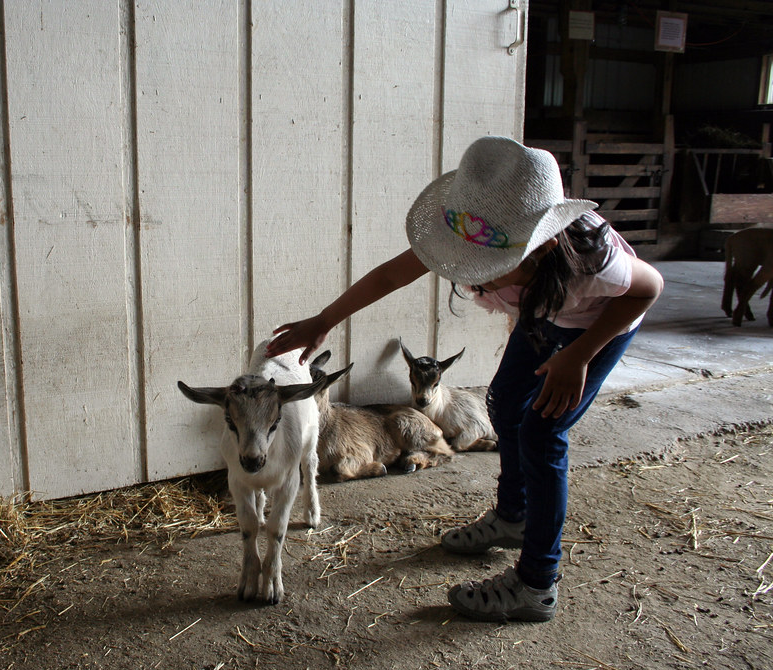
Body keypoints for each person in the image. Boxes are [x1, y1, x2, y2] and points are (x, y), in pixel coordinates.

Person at [265, 136, 663, 622]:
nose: (470, 278)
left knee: (541, 430)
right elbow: (391, 275)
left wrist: (578, 355)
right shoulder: (476, 231)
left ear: (543, 248)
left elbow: (649, 289)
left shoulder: (591, 260)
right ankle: (514, 516)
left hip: (600, 323)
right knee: (503, 402)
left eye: (487, 270)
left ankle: (537, 583)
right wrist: (324, 319)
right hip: (541, 312)